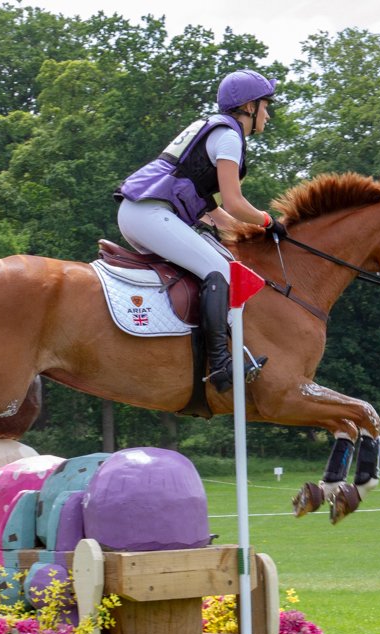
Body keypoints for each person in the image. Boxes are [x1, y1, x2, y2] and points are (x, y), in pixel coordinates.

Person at [114, 69, 288, 392]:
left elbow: (217, 214)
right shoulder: (230, 136)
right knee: (220, 271)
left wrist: (250, 235)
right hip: (150, 212)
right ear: (249, 106)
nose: (268, 113)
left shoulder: (213, 128)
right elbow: (235, 203)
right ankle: (221, 365)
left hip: (139, 211)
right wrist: (268, 221)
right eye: (266, 104)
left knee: (215, 262)